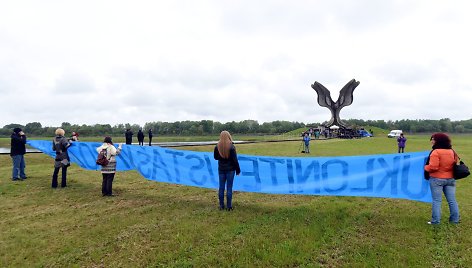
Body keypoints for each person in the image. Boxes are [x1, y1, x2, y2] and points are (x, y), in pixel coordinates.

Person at [424, 133, 459, 225]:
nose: (432, 141)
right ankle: (455, 220)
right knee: (452, 200)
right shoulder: (452, 151)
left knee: (437, 200)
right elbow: (454, 164)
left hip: (437, 179)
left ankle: (435, 221)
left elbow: (433, 167)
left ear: (438, 141)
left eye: (433, 139)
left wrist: (425, 167)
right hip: (451, 179)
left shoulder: (436, 152)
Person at [214, 131, 241, 211]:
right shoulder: (232, 147)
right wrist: (238, 170)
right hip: (230, 170)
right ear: (229, 136)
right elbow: (235, 160)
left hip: (221, 169)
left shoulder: (217, 146)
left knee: (221, 187)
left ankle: (221, 206)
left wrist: (221, 157)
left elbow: (215, 157)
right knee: (229, 188)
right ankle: (229, 207)